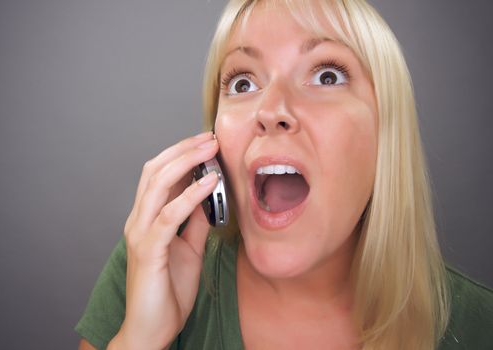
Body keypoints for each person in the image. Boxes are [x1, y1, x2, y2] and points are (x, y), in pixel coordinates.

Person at [75, 0, 493, 349]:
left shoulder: (479, 327)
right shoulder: (155, 261)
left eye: (326, 75)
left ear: (387, 131)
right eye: (242, 83)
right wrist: (139, 339)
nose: (271, 109)